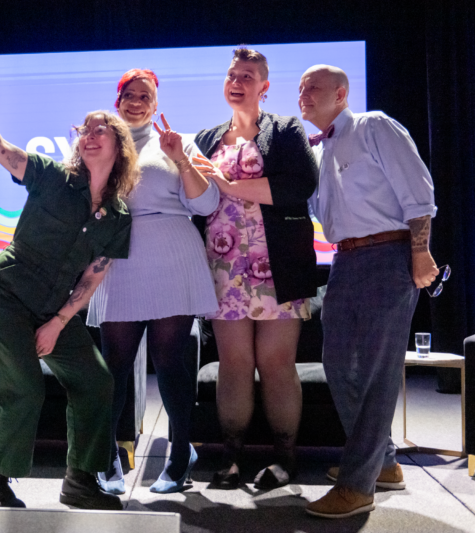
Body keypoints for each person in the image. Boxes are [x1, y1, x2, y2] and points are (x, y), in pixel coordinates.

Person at [0, 52, 140, 510]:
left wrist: (58, 322)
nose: (89, 135)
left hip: (56, 306)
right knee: (23, 391)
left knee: (96, 382)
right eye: (85, 128)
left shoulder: (117, 216)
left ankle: (80, 481)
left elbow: (92, 277)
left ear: (119, 145)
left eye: (101, 128)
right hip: (3, 295)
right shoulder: (52, 177)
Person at [299, 65, 439, 518]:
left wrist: (421, 252)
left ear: (341, 94)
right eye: (300, 89)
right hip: (345, 261)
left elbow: (418, 194)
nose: (303, 94)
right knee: (338, 364)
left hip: (389, 255)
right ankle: (385, 464)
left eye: (313, 88)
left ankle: (357, 486)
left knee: (378, 370)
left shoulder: (374, 126)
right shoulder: (318, 150)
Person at [191, 47, 318, 490]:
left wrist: (229, 184)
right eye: (231, 74)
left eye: (247, 75)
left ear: (264, 86)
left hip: (277, 265)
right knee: (234, 363)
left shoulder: (284, 129)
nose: (237, 81)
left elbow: (302, 184)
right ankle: (230, 459)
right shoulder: (206, 138)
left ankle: (285, 460)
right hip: (223, 266)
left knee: (277, 362)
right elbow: (195, 200)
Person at [87, 69, 219, 494]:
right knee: (115, 367)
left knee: (170, 362)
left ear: (156, 104)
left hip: (172, 253)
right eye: (129, 94)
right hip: (119, 259)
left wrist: (180, 157)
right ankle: (106, 456)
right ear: (118, 100)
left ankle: (181, 453)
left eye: (145, 95)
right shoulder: (101, 142)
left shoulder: (176, 142)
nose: (137, 101)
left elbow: (207, 203)